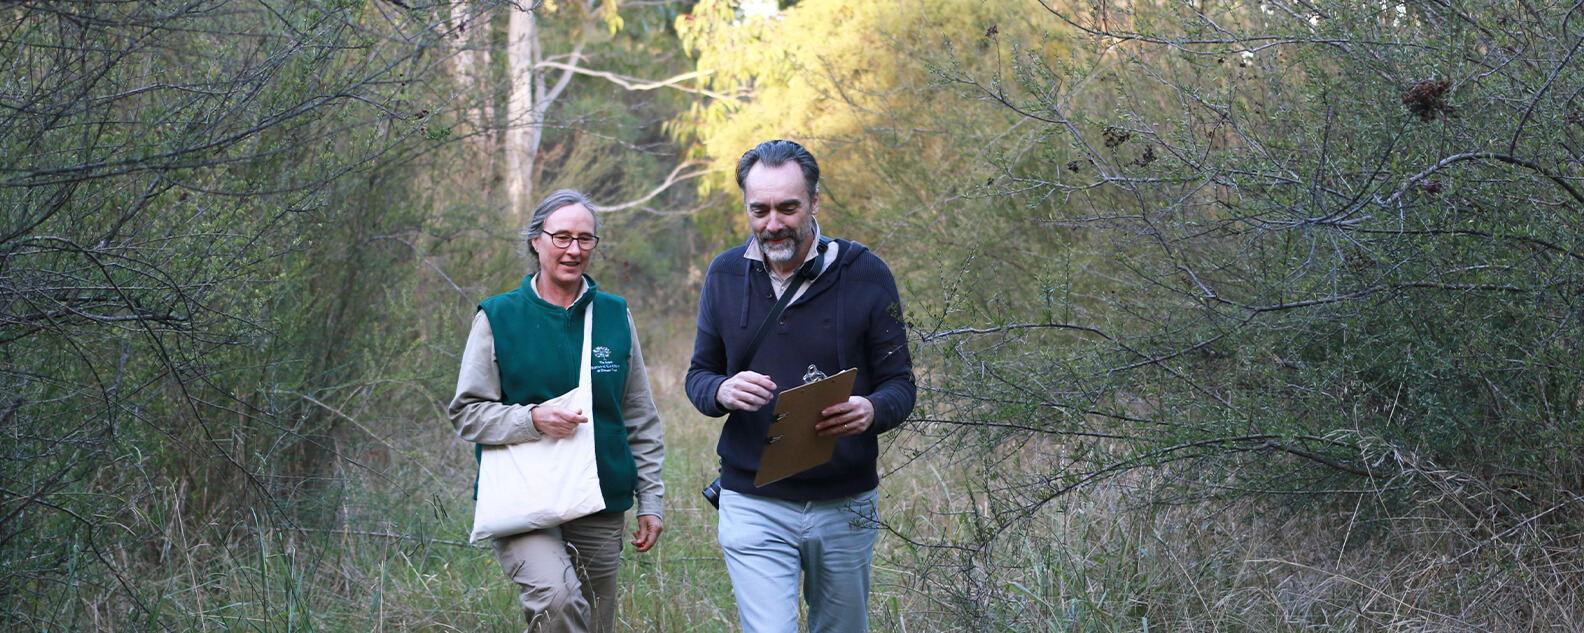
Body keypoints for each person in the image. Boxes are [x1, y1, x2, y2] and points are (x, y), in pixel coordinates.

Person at [686, 140, 915, 633]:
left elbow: (901, 385)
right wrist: (722, 391)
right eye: (760, 209)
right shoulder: (724, 275)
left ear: (814, 202)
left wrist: (871, 410)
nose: (774, 223)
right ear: (746, 207)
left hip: (845, 501)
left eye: (788, 207)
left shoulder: (868, 275)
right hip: (752, 500)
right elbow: (699, 376)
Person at [449, 189, 665, 633]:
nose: (574, 250)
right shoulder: (498, 316)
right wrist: (530, 420)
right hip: (524, 495)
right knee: (557, 599)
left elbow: (639, 414)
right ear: (536, 241)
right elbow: (467, 412)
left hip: (600, 496)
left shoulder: (614, 314)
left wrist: (652, 500)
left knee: (594, 622)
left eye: (585, 239)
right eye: (561, 237)